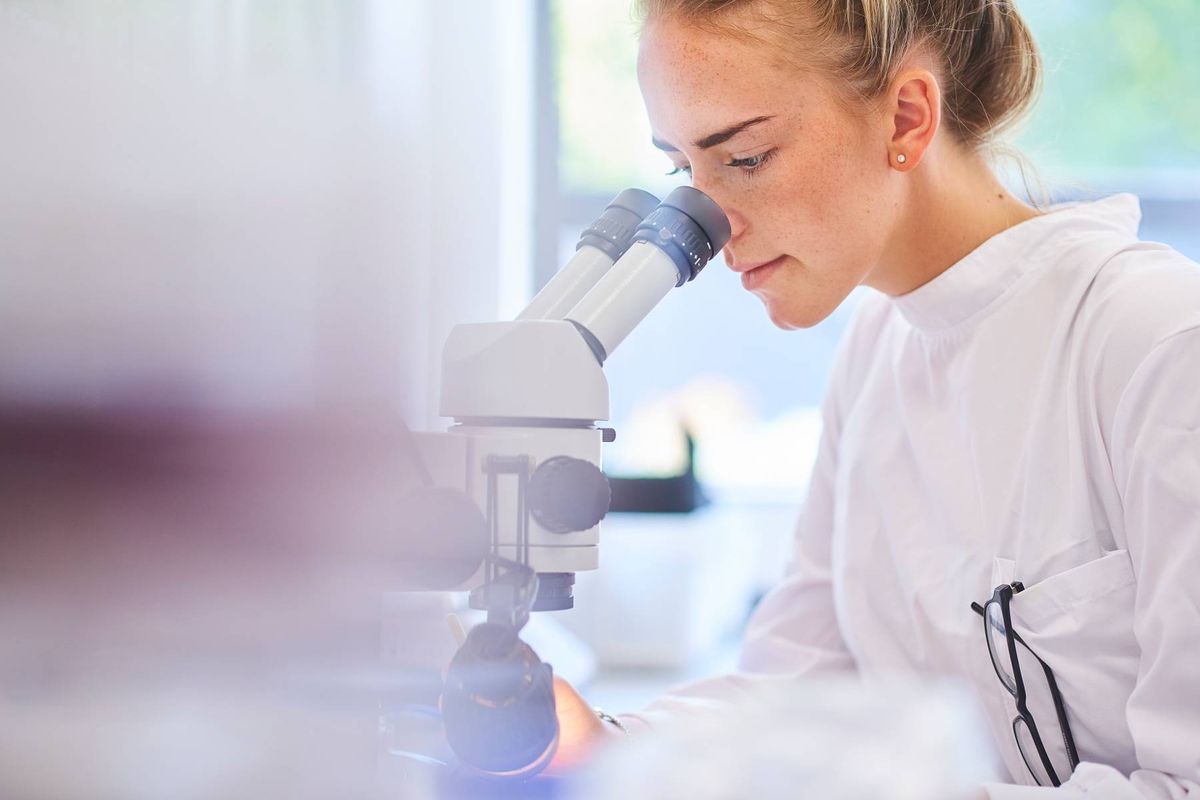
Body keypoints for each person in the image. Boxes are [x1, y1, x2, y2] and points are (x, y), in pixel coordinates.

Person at [548, 1, 1200, 796]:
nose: (711, 227)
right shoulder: (876, 352)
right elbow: (803, 695)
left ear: (906, 117)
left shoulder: (1156, 344)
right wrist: (600, 744)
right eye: (685, 171)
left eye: (745, 157)